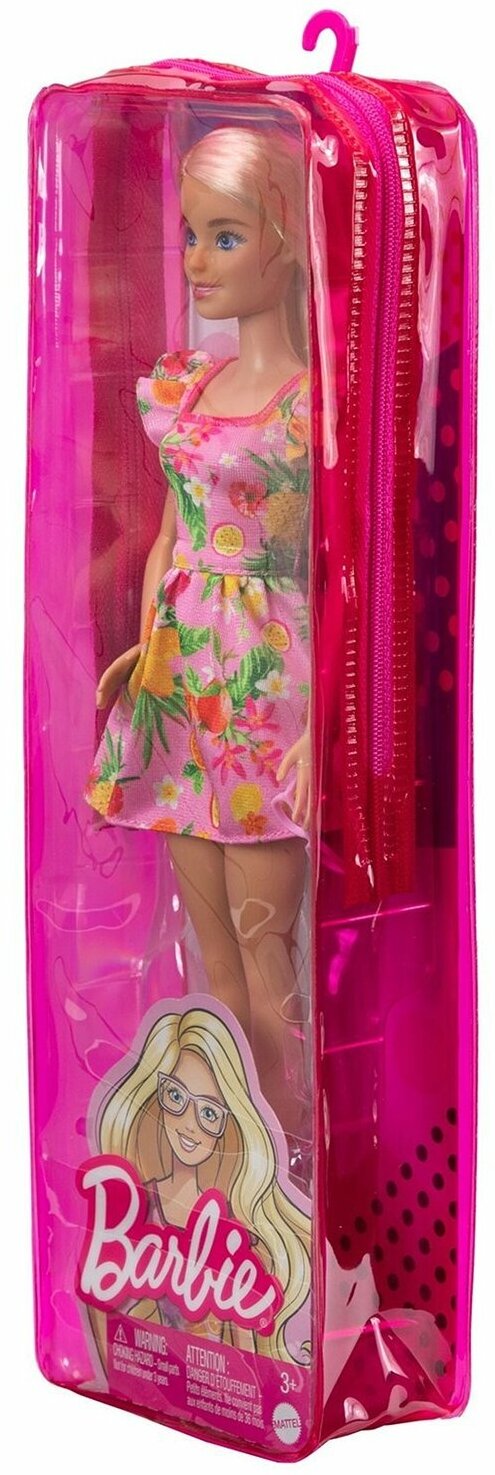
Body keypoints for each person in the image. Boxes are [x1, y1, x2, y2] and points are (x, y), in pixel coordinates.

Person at [84, 124, 313, 1151]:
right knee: (212, 948)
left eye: (226, 236)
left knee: (270, 956)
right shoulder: (186, 388)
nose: (195, 260)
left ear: (289, 241)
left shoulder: (314, 407)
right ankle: (236, 1160)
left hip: (268, 692)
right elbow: (173, 532)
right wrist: (144, 649)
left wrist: (324, 725)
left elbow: (341, 576)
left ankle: (297, 1156)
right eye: (189, 234)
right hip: (181, 687)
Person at [85, 1006, 311, 1373]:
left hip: (221, 1390)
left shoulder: (235, 1229)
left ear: (230, 1122)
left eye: (209, 1113)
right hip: (153, 1378)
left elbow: (249, 1353)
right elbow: (99, 1298)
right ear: (156, 1095)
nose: (189, 1125)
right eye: (175, 1097)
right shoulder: (137, 1207)